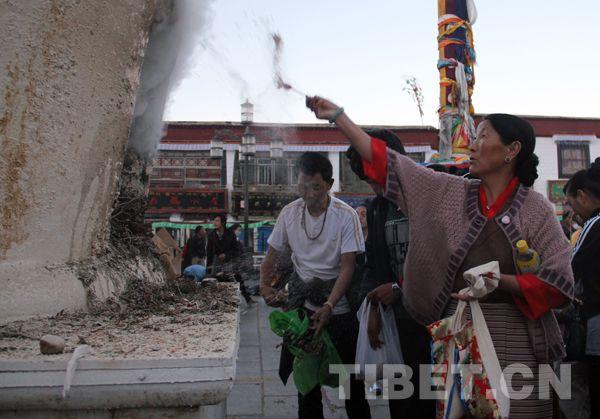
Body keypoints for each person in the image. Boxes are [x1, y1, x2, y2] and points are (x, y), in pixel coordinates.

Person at [307, 96, 574, 418]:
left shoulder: (537, 210)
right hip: (456, 336)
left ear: (511, 150)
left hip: (517, 338)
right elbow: (394, 165)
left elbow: (559, 283)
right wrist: (339, 117)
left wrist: (500, 282)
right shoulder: (449, 193)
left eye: (483, 137)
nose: (473, 146)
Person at [260, 152, 371, 419]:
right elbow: (271, 257)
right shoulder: (289, 213)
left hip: (340, 311)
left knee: (352, 389)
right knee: (306, 387)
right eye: (302, 186)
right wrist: (264, 286)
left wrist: (330, 305)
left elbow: (348, 266)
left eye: (316, 187)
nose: (308, 193)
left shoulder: (346, 216)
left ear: (330, 184)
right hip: (304, 310)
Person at [348, 129, 436, 418]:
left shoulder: (431, 198)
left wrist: (398, 289)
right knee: (402, 404)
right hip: (398, 323)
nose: (372, 185)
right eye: (365, 179)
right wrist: (371, 306)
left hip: (437, 322)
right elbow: (373, 264)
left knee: (435, 401)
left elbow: (442, 261)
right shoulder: (376, 209)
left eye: (374, 176)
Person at [564, 158, 600, 417]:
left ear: (583, 195)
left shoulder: (594, 224)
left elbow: (570, 270)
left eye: (571, 202)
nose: (573, 210)